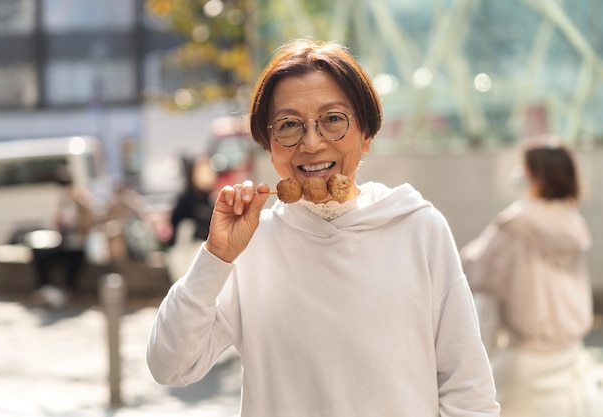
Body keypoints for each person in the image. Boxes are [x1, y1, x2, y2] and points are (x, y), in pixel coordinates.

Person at [147, 39, 500, 416]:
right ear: (270, 146)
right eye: (288, 125)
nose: (312, 143)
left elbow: (469, 393)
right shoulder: (252, 245)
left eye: (333, 119)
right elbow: (170, 365)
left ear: (366, 135)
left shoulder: (417, 227)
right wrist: (216, 257)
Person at [460, 136, 593, 417]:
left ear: (535, 174)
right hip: (569, 352)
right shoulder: (573, 221)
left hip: (527, 359)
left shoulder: (516, 224)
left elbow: (473, 269)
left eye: (524, 166)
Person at [31, 166, 95, 307]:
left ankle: (66, 291)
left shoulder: (82, 201)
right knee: (40, 255)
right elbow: (56, 224)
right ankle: (46, 289)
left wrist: (74, 224)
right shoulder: (63, 201)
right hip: (63, 242)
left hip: (78, 245)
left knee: (74, 261)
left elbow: (88, 225)